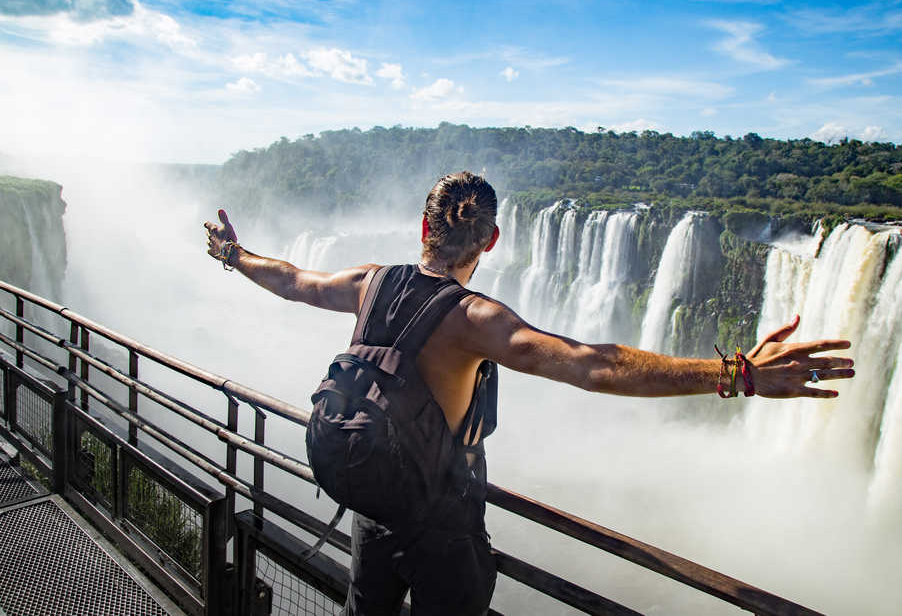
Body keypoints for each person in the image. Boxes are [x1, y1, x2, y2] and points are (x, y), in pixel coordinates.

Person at [204, 171, 854, 615]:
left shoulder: (370, 282)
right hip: (441, 529)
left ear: (422, 229)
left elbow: (292, 279)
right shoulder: (473, 317)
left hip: (373, 511)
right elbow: (594, 364)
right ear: (490, 239)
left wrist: (235, 255)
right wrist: (736, 372)